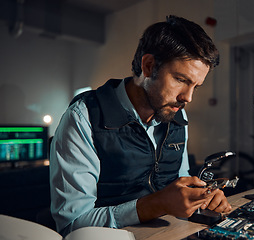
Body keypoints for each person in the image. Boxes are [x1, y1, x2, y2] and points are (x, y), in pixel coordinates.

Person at [49, 15, 231, 236]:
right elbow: (73, 224)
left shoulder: (176, 114)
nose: (188, 98)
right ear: (148, 66)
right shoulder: (82, 117)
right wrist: (156, 204)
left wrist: (201, 198)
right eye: (181, 80)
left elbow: (181, 183)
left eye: (196, 86)